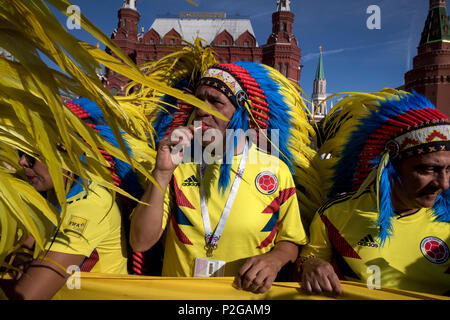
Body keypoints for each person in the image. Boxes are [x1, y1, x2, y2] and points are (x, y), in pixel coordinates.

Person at [130, 60, 319, 293]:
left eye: (215, 102)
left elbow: (290, 241)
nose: (201, 110)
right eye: (198, 100)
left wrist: (275, 259)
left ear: (241, 111)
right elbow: (140, 242)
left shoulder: (275, 170)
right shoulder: (177, 164)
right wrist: (161, 173)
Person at [297, 90, 450, 297]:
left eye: (449, 170)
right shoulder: (335, 214)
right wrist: (311, 264)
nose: (444, 183)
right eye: (428, 170)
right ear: (390, 166)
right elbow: (309, 258)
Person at [4, 98, 142, 299]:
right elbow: (20, 257)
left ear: (66, 150)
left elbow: (26, 295)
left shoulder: (91, 203)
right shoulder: (51, 193)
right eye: (20, 150)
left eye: (31, 153)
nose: (21, 161)